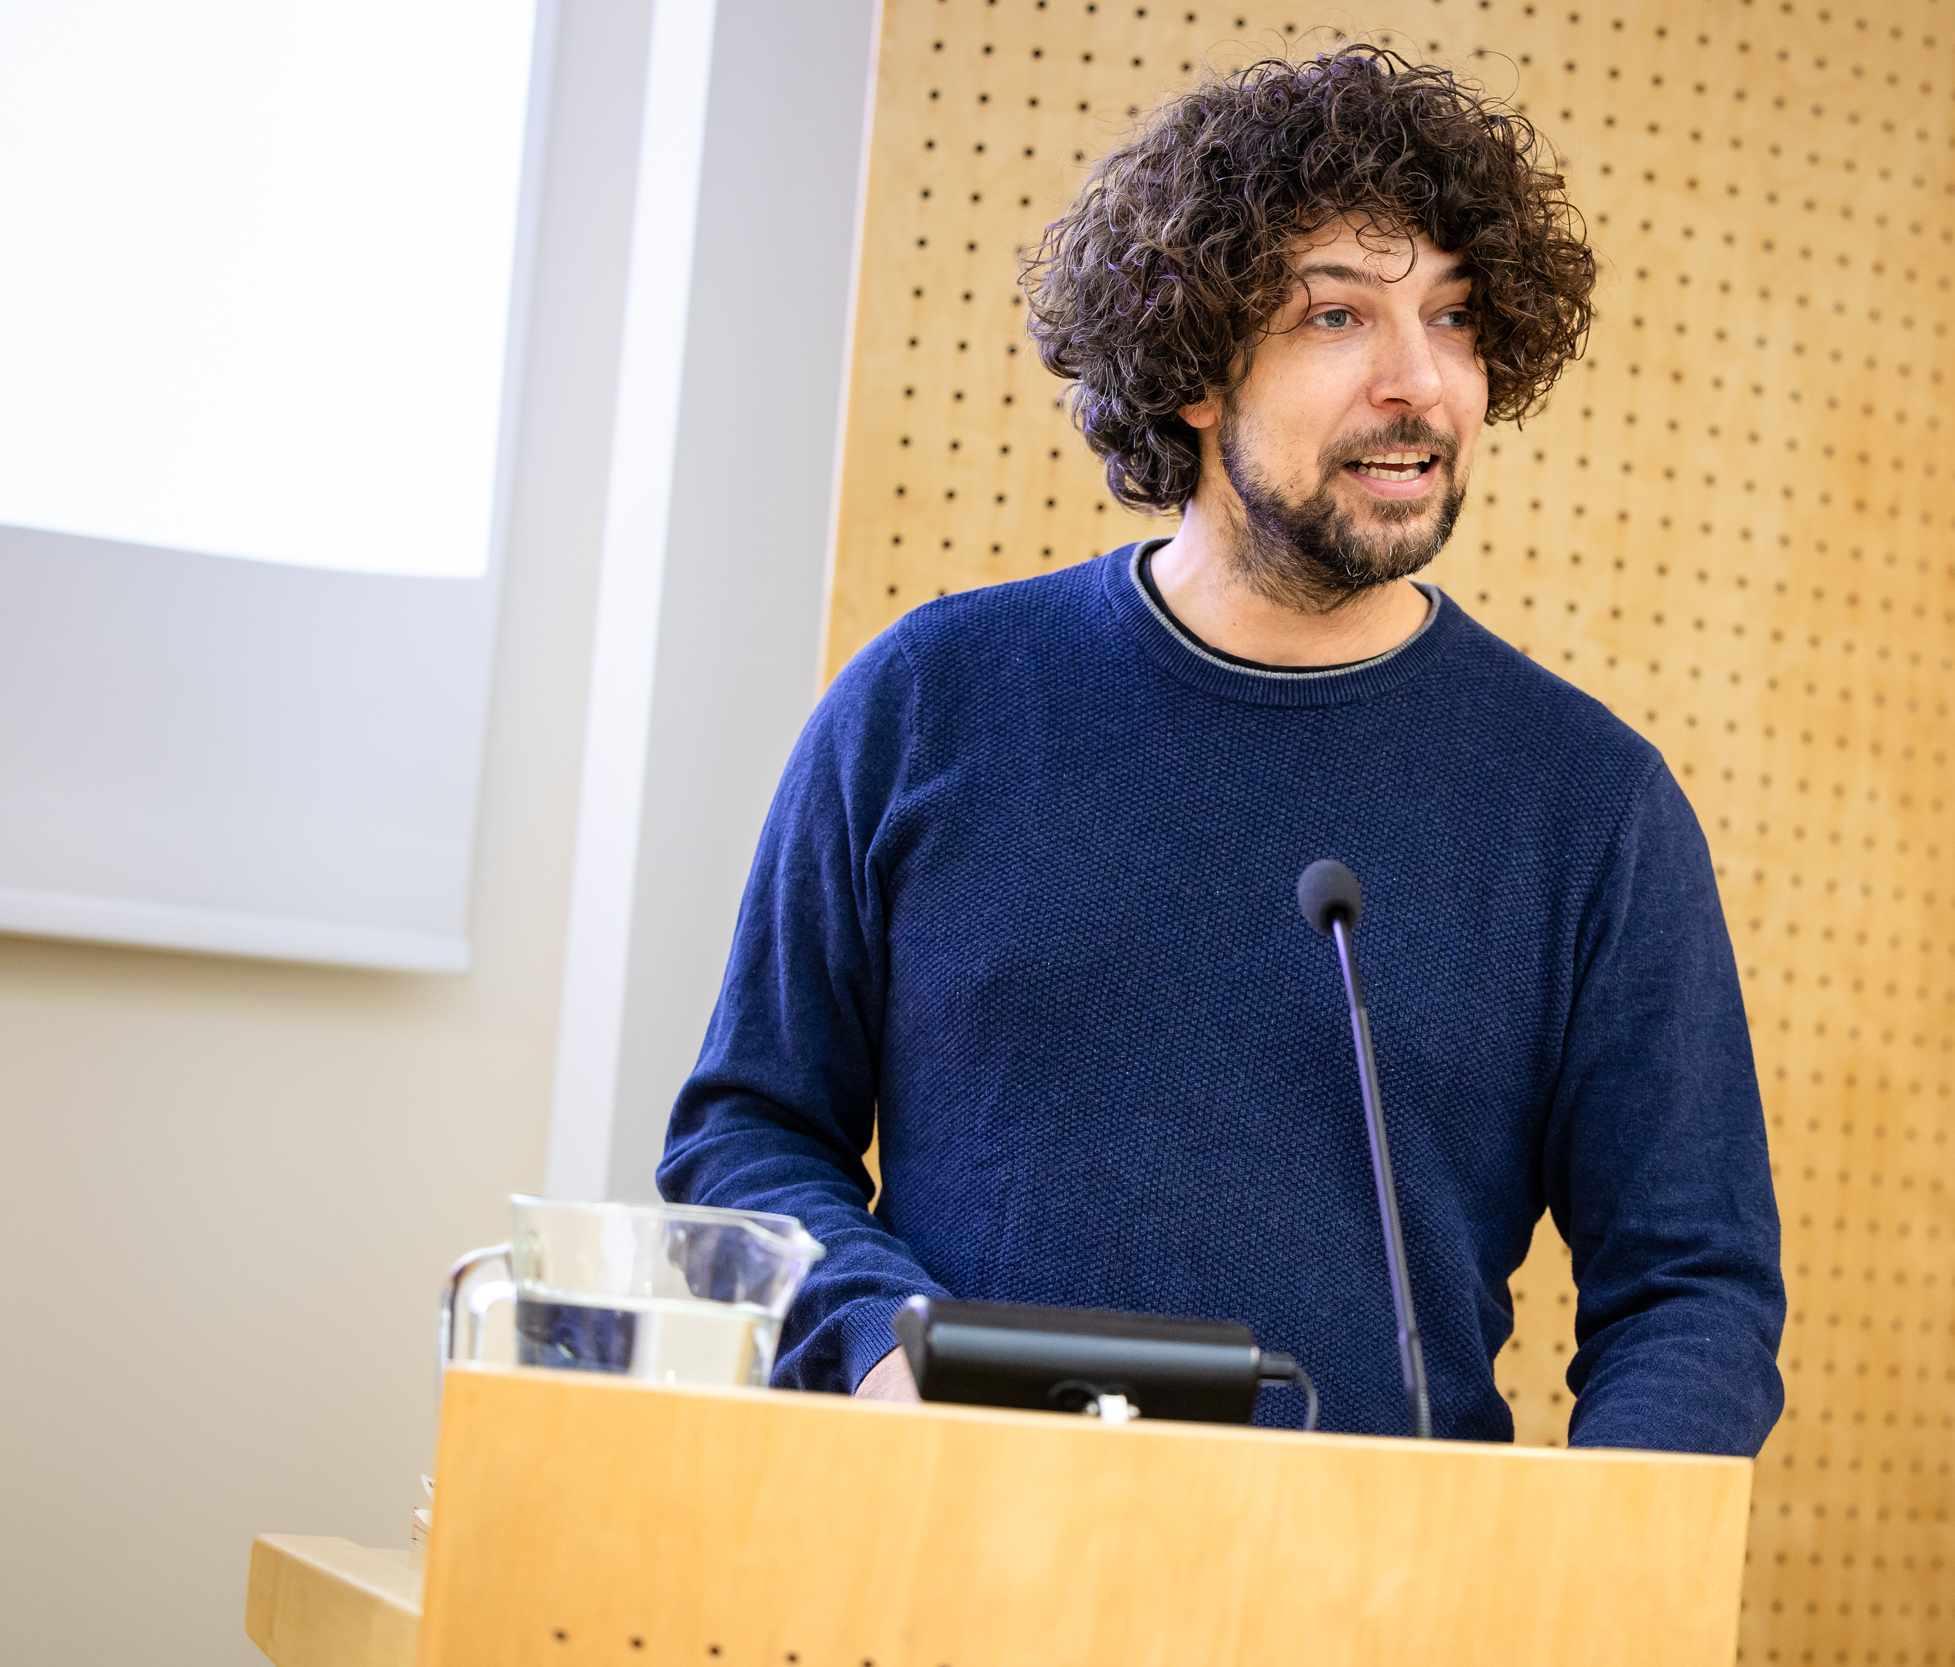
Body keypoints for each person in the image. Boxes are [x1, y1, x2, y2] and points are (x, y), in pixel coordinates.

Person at [659, 48, 1785, 1452]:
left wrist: (1576, 1559)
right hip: (957, 1533)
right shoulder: (926, 702)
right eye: (1338, 315)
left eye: (1453, 317)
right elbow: (747, 1135)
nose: (1420, 382)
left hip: (1382, 1568)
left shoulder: (1592, 806)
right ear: (1195, 368)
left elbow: (1692, 1288)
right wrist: (884, 1354)